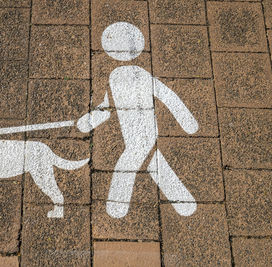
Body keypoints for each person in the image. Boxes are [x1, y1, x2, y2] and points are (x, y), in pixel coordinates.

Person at [77, 22, 198, 218]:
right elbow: (165, 95)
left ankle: (117, 205)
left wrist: (89, 121)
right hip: (137, 130)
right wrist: (88, 121)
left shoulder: (125, 76)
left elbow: (107, 107)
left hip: (141, 131)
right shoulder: (119, 77)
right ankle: (183, 202)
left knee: (130, 160)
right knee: (152, 161)